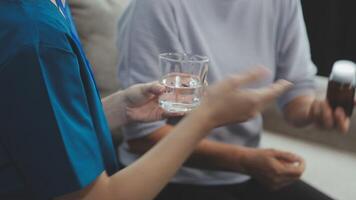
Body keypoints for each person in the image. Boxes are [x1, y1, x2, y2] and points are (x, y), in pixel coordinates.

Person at [0, 0, 292, 199]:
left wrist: (114, 110)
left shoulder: (47, 11)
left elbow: (32, 130)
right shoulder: (37, 37)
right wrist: (208, 116)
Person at [117, 0, 354, 199]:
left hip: (246, 173)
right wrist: (243, 159)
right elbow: (143, 137)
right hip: (163, 179)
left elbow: (297, 89)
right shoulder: (155, 7)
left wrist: (315, 111)